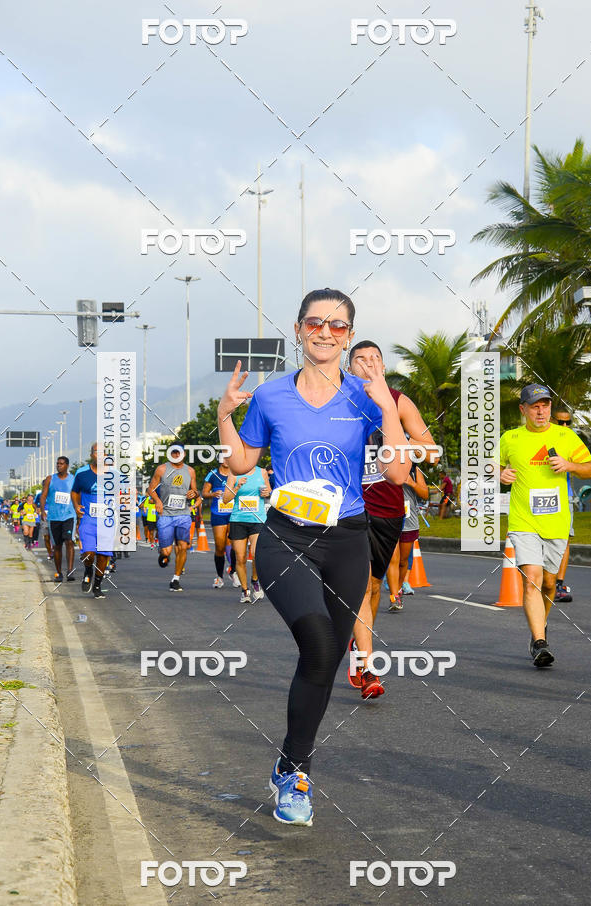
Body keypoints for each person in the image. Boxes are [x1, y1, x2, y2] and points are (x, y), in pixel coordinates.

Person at [218, 288, 410, 826]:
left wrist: (387, 409)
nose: (326, 332)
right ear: (298, 329)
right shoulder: (273, 395)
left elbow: (396, 474)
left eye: (338, 326)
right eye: (316, 322)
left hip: (347, 540)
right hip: (285, 538)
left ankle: (288, 765)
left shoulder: (363, 396)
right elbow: (240, 464)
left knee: (324, 659)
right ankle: (298, 773)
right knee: (321, 643)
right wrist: (224, 415)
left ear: (349, 336)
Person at [347, 341, 437, 698]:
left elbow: (428, 448)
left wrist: (398, 446)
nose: (369, 364)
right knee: (357, 584)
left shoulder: (398, 401)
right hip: (347, 507)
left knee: (371, 587)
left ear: (384, 365)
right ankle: (367, 667)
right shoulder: (337, 398)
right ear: (349, 366)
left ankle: (359, 648)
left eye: (375, 359)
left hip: (387, 509)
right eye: (360, 359)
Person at [499, 384, 591, 668]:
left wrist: (569, 465)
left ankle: (541, 625)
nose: (541, 411)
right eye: (535, 406)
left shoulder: (565, 436)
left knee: (550, 584)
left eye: (545, 405)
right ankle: (539, 642)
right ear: (523, 409)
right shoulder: (510, 438)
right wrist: (498, 472)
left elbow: (589, 468)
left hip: (557, 521)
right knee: (532, 578)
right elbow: (487, 464)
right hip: (523, 520)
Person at [148, 444, 198, 592]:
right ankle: (162, 551)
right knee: (167, 552)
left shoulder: (190, 471)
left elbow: (194, 490)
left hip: (183, 514)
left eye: (179, 453)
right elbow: (151, 489)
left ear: (183, 454)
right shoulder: (162, 469)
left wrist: (193, 494)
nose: (176, 455)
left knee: (183, 547)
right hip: (166, 514)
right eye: (174, 453)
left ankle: (176, 579)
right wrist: (157, 501)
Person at [71, 442, 113, 599]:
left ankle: (97, 585)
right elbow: (74, 492)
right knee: (89, 553)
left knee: (103, 556)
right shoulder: (82, 475)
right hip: (88, 519)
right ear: (91, 455)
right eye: (97, 452)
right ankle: (88, 570)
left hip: (107, 521)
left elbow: (123, 494)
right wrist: (76, 505)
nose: (101, 455)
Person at [222, 466, 270, 603]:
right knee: (240, 557)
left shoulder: (262, 472)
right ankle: (245, 591)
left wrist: (267, 492)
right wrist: (237, 486)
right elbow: (225, 499)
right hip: (238, 520)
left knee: (256, 554)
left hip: (258, 519)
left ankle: (255, 580)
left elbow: (269, 491)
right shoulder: (234, 473)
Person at [386, 464, 429, 611]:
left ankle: (398, 590)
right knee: (392, 558)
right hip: (388, 516)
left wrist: (412, 483)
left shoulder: (413, 469)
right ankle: (394, 597)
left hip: (408, 519)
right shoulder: (382, 463)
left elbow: (425, 494)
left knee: (403, 561)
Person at [202, 455, 240, 588]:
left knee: (233, 545)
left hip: (233, 513)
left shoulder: (236, 474)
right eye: (223, 457)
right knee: (219, 545)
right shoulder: (213, 474)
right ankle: (219, 577)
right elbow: (204, 493)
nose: (226, 460)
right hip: (218, 514)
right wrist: (213, 494)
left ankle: (233, 571)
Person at [551, 407, 576, 603]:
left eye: (569, 422)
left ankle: (558, 584)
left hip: (564, 496)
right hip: (540, 496)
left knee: (565, 540)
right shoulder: (542, 438)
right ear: (552, 421)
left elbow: (585, 468)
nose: (565, 426)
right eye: (561, 422)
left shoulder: (571, 441)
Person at [40, 456, 77, 582]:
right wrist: (42, 511)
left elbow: (77, 496)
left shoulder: (73, 479)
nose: (58, 466)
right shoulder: (50, 479)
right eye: (57, 464)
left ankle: (70, 571)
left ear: (67, 465)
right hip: (54, 516)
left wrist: (79, 510)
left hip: (69, 515)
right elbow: (43, 496)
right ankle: (59, 572)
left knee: (69, 541)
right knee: (57, 546)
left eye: (61, 464)